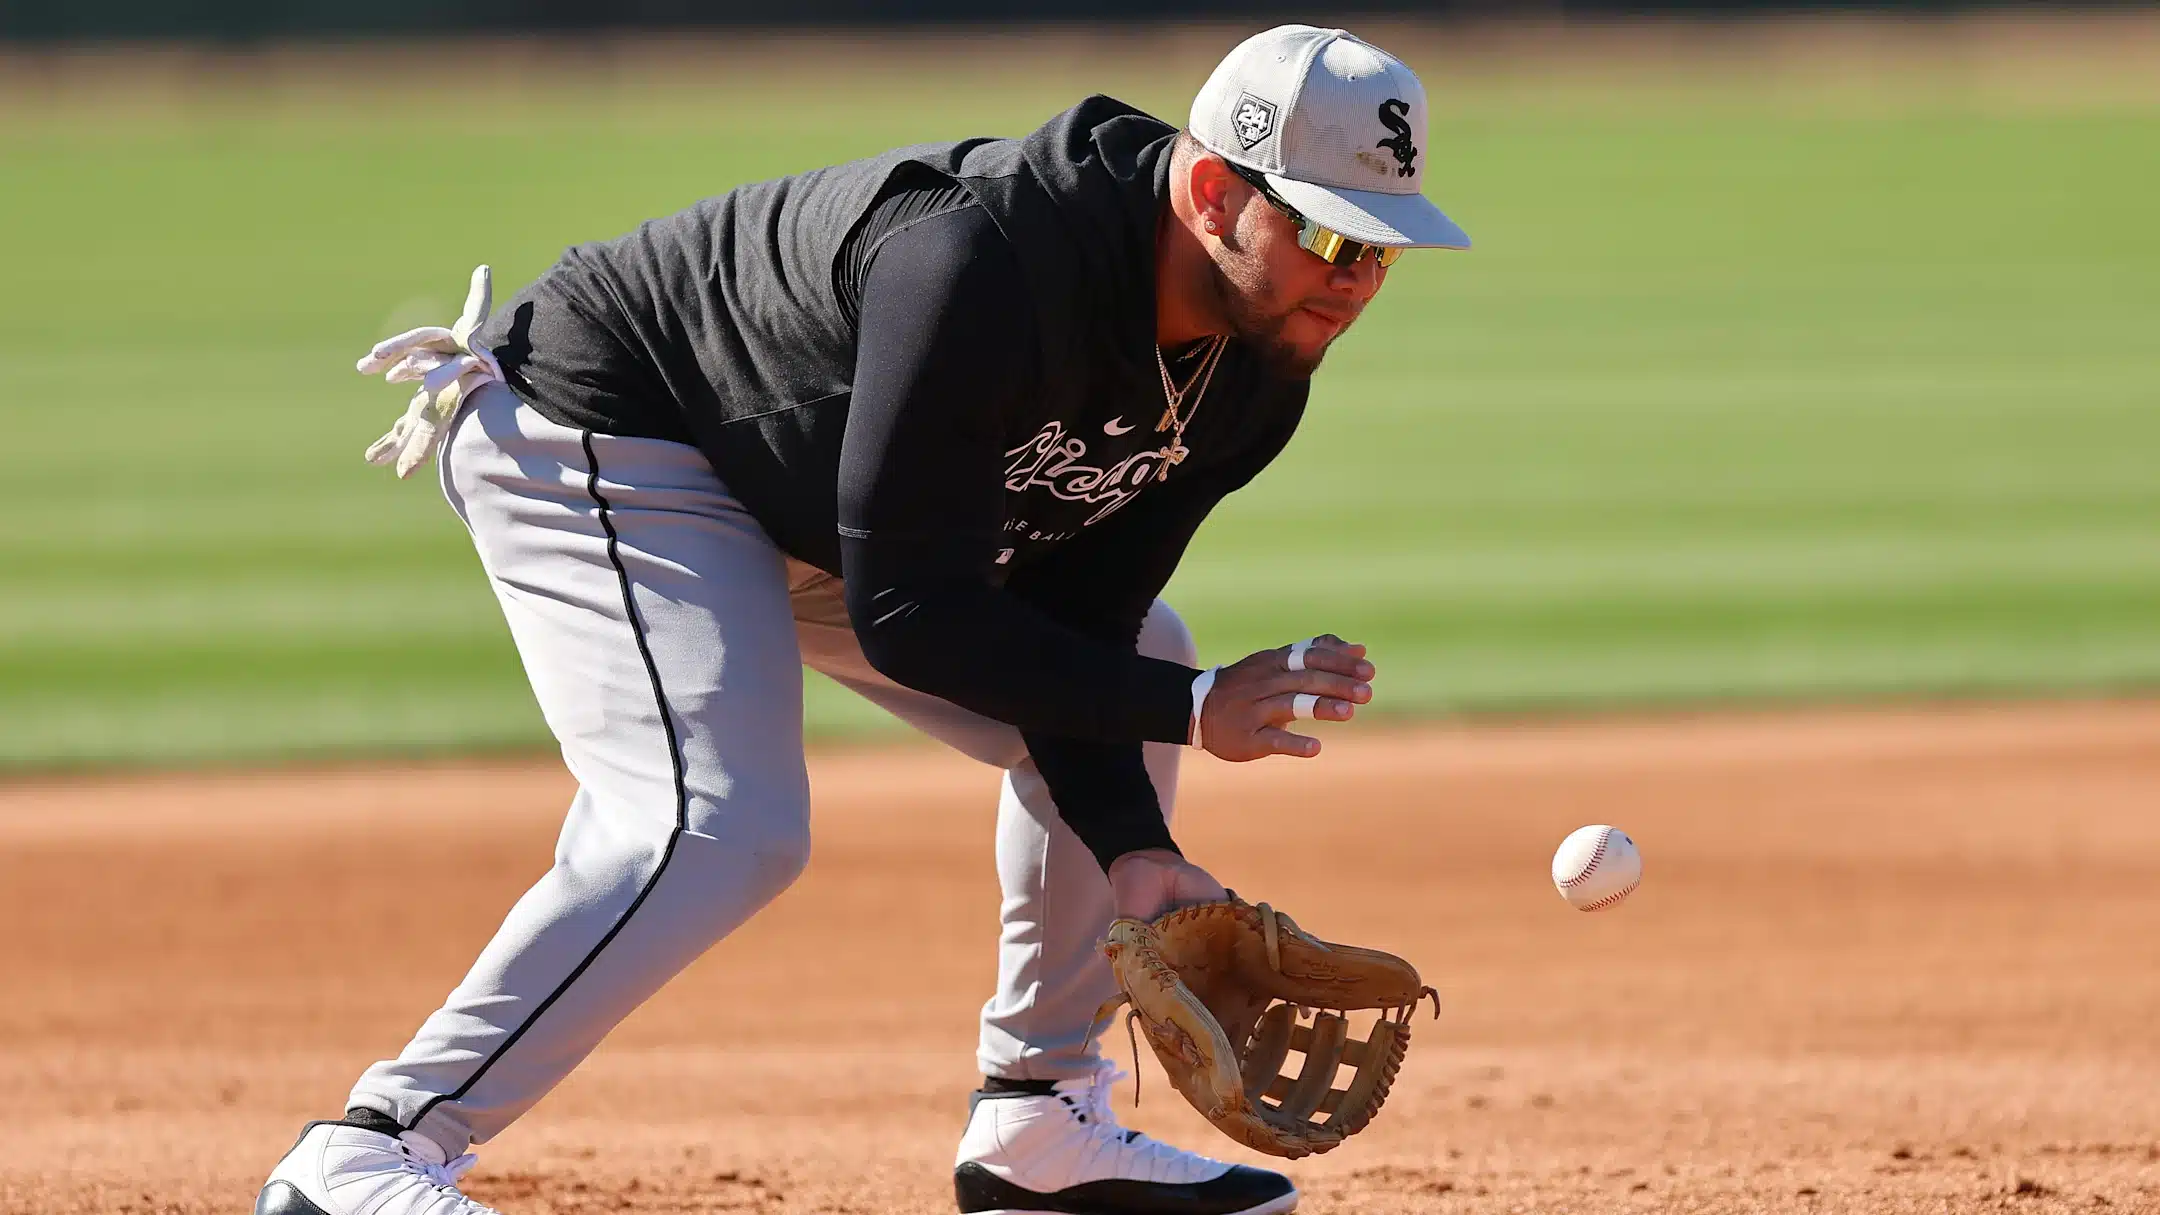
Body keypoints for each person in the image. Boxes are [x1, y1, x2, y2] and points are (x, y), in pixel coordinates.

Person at [255, 23, 1468, 1215]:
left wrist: (1133, 850)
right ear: (1210, 189)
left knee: (1143, 650)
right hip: (617, 430)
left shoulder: (1251, 376)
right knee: (717, 828)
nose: (1355, 280)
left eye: (1383, 249)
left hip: (818, 505)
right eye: (1324, 231)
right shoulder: (983, 262)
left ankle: (1040, 1118)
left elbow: (1084, 614)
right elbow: (906, 614)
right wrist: (1195, 715)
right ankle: (371, 1151)